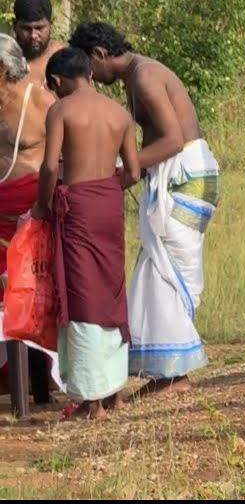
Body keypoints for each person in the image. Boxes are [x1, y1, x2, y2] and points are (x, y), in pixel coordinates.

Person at [67, 21, 222, 398]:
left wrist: (120, 175)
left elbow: (171, 140)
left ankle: (177, 375)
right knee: (158, 270)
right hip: (180, 178)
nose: (89, 75)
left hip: (183, 176)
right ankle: (168, 372)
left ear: (99, 55)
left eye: (88, 66)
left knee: (164, 273)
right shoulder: (136, 76)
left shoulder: (145, 77)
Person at [32, 46, 139, 419]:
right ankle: (116, 391)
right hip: (108, 204)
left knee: (82, 295)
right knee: (110, 288)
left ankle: (92, 400)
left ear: (58, 81)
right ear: (90, 75)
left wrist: (41, 207)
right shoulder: (120, 113)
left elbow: (49, 168)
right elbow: (134, 172)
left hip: (77, 205)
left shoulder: (61, 110)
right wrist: (105, 190)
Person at [0, 32, 58, 405]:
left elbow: (61, 157)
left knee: (28, 295)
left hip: (26, 216)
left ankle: (38, 386)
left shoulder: (40, 100)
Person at [12, 0, 67, 91]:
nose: (33, 35)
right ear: (14, 26)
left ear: (51, 25)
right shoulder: (4, 57)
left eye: (39, 28)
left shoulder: (67, 59)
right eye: (26, 28)